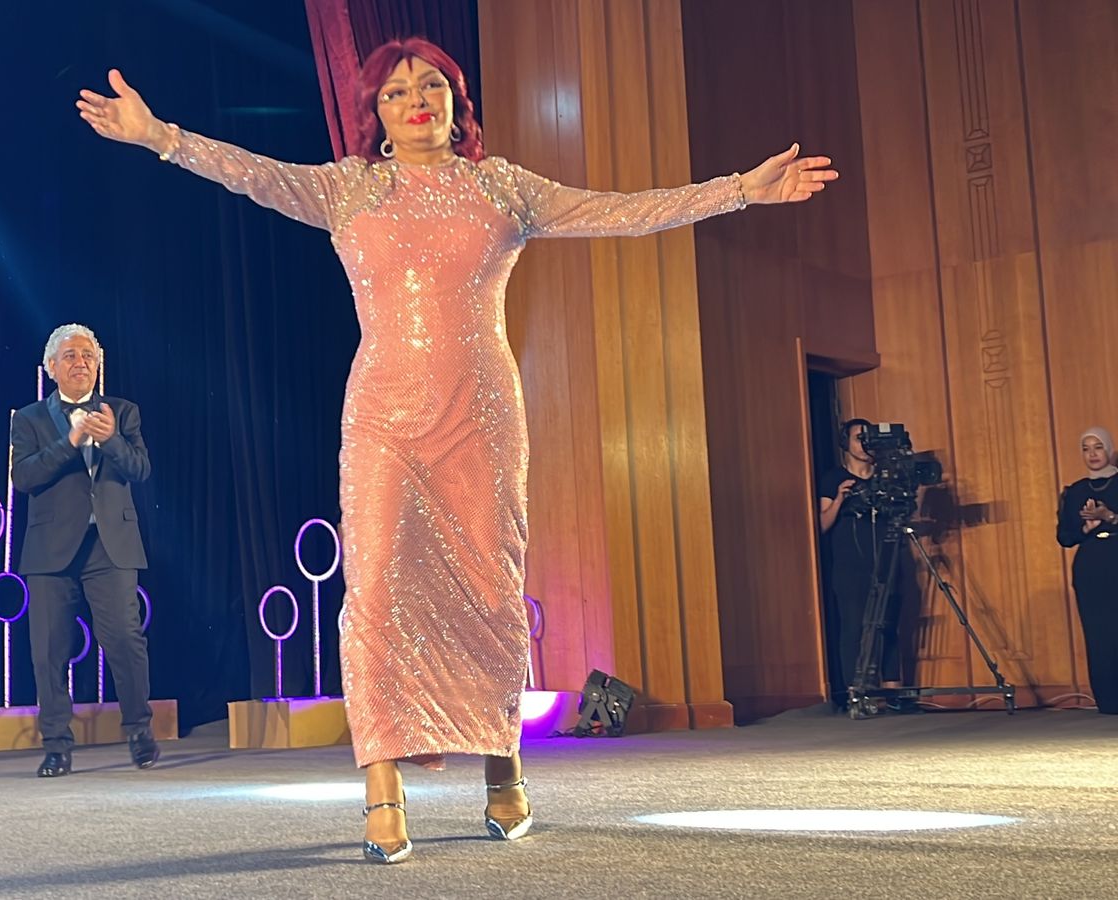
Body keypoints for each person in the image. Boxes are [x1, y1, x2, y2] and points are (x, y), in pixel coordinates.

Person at [77, 36, 837, 863]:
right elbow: (249, 172)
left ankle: (503, 765)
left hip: (481, 418)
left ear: (455, 100)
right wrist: (159, 136)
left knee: (489, 589)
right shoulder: (348, 189)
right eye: (397, 92)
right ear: (376, 114)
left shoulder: (502, 187)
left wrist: (740, 190)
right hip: (382, 418)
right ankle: (382, 787)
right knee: (374, 591)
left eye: (431, 85)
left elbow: (620, 210)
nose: (417, 101)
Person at [10, 323, 159, 777]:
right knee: (49, 650)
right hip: (51, 549)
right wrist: (70, 442)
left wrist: (111, 439)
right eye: (71, 356)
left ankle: (139, 731)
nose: (81, 363)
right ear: (51, 367)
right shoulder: (29, 418)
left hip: (110, 546)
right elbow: (24, 477)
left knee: (125, 640)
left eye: (88, 355)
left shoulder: (122, 412)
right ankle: (56, 745)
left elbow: (140, 469)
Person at [818, 418, 904, 702]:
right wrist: (840, 499)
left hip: (888, 560)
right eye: (859, 438)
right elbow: (821, 525)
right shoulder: (833, 478)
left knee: (888, 625)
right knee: (854, 626)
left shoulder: (888, 477)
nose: (865, 444)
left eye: (868, 438)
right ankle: (854, 694)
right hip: (849, 566)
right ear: (846, 443)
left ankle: (893, 693)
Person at [1056, 427, 1118, 714]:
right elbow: (1064, 537)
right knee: (1098, 634)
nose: (1092, 454)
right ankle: (1109, 700)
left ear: (1108, 450)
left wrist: (1109, 516)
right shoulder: (1075, 491)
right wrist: (1086, 528)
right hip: (1091, 566)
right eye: (1086, 448)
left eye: (1098, 447)